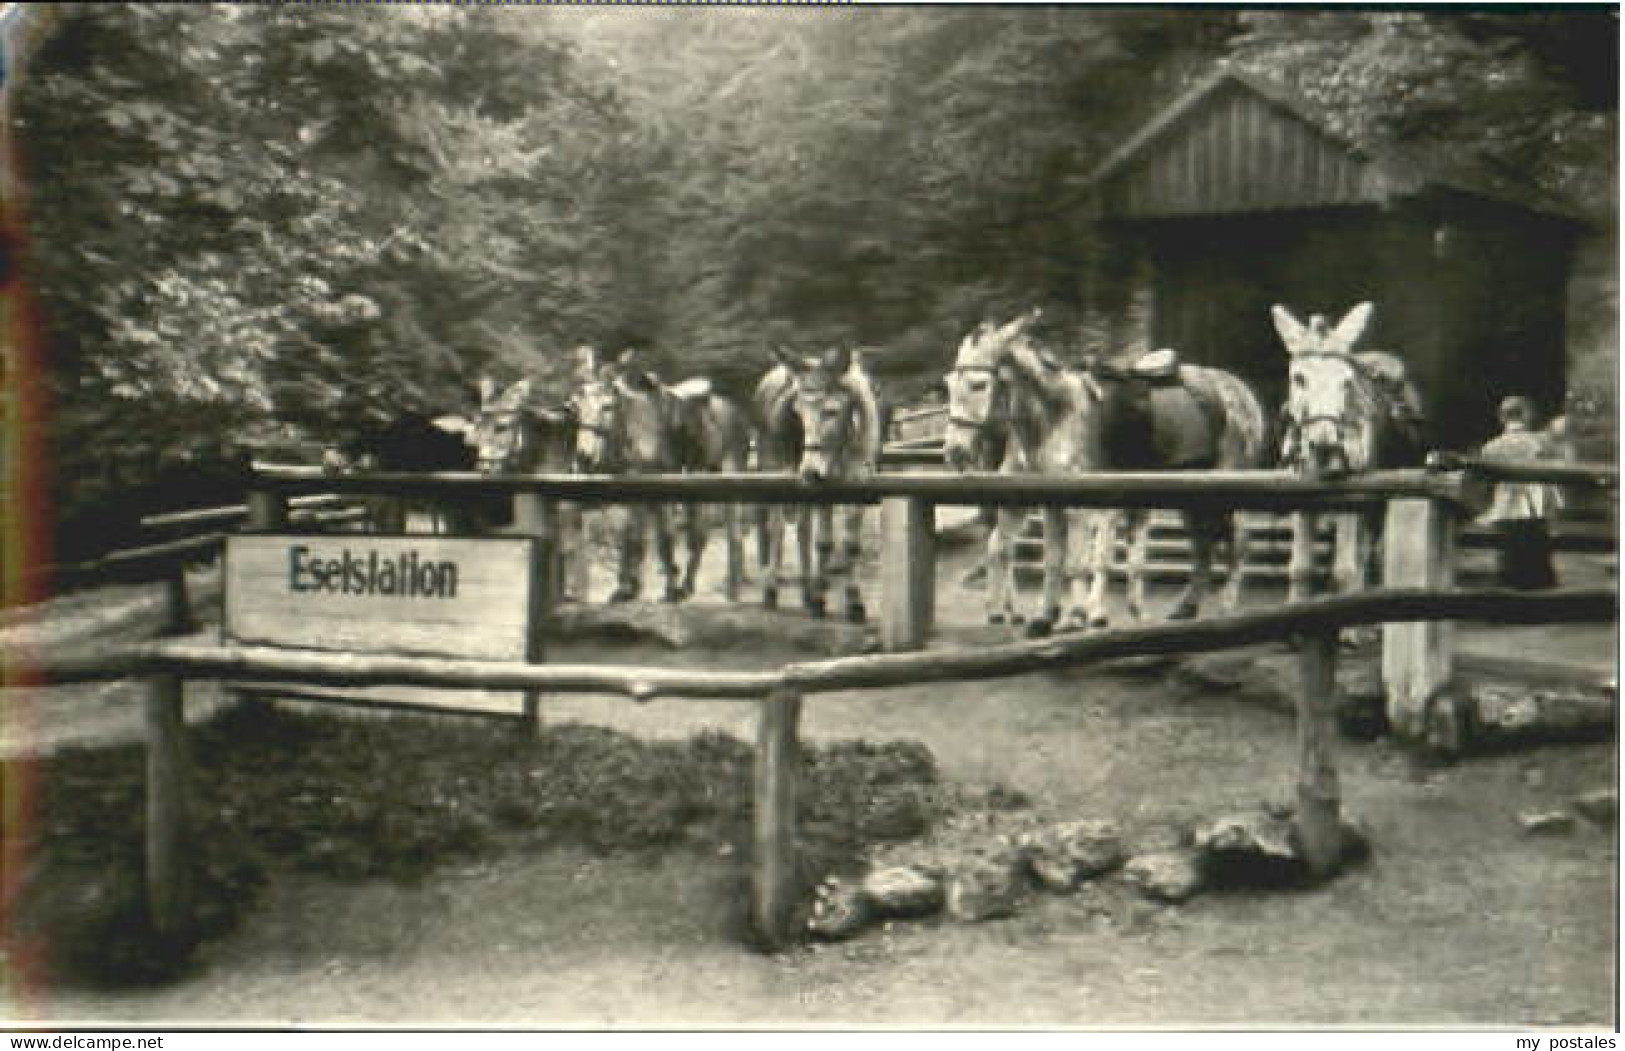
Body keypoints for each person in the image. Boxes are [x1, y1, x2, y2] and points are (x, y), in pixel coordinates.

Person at [1478, 395, 1560, 589]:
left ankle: (1511, 583)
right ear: (1527, 416)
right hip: (1536, 502)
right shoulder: (1542, 443)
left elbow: (1487, 480)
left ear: (1502, 418)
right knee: (1537, 547)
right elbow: (1554, 472)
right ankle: (1539, 583)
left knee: (1510, 547)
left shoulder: (1491, 447)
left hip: (1506, 503)